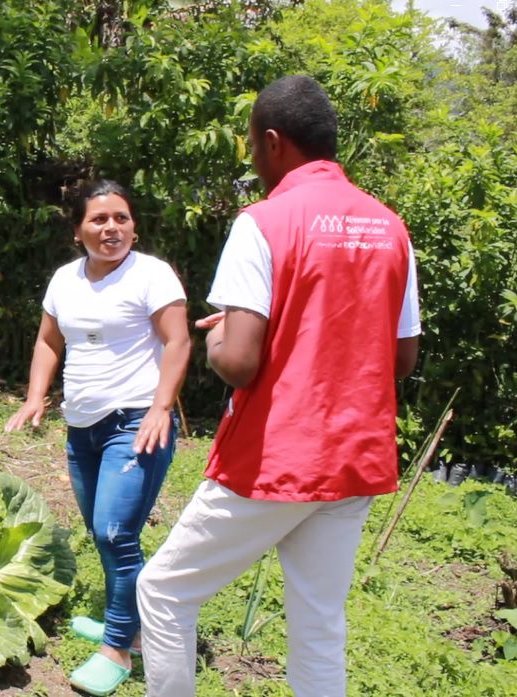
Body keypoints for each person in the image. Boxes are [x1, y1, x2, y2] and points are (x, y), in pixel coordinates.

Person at [136, 75, 421, 697]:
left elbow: (239, 360)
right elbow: (401, 359)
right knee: (319, 626)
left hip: (279, 458)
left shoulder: (262, 222)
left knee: (163, 590)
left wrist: (213, 340)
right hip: (354, 462)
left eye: (251, 145)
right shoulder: (389, 227)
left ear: (272, 142)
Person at [5, 180, 191, 697]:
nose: (112, 228)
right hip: (81, 427)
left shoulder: (152, 275)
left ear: (134, 225)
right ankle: (132, 620)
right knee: (102, 531)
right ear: (78, 230)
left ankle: (118, 648)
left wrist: (159, 408)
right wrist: (35, 396)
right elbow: (48, 339)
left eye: (122, 218)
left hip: (136, 421)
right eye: (99, 219)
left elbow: (178, 341)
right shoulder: (65, 279)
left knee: (115, 533)